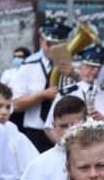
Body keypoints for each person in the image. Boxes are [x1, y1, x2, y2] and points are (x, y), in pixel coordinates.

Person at [12, 21, 73, 152]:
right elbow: (16, 105)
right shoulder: (28, 68)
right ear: (41, 42)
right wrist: (43, 95)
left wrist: (75, 75)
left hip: (64, 133)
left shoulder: (73, 69)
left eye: (58, 45)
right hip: (34, 134)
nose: (52, 48)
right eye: (49, 44)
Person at [44, 46, 104, 142]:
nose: (94, 71)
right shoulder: (67, 93)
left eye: (98, 68)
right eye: (89, 67)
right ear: (80, 67)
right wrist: (65, 148)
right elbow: (49, 128)